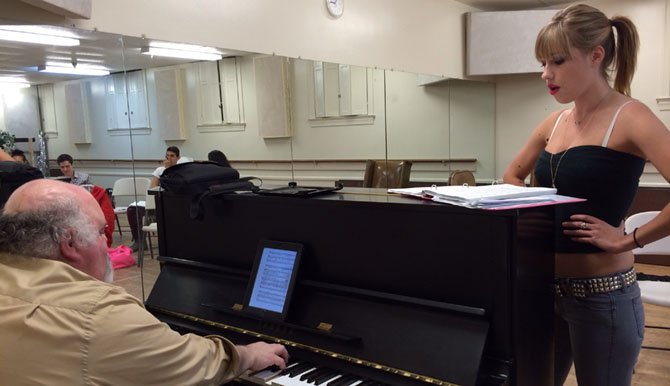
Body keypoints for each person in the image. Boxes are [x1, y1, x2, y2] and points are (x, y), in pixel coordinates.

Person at [502, 4, 670, 385]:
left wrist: (629, 238)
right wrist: (533, 208)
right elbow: (513, 173)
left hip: (602, 297)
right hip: (541, 292)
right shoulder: (554, 122)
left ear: (596, 55)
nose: (546, 74)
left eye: (557, 62)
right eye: (543, 63)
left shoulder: (631, 116)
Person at [0, 179, 288, 384]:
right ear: (70, 243)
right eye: (102, 231)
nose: (106, 242)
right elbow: (192, 365)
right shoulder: (99, 314)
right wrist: (247, 354)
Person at [127, 146, 181, 251]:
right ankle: (140, 241)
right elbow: (152, 188)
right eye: (167, 155)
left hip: (170, 206)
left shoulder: (180, 171)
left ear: (178, 157)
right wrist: (165, 170)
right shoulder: (160, 170)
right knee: (132, 210)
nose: (169, 158)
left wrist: (169, 170)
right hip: (156, 203)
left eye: (172, 156)